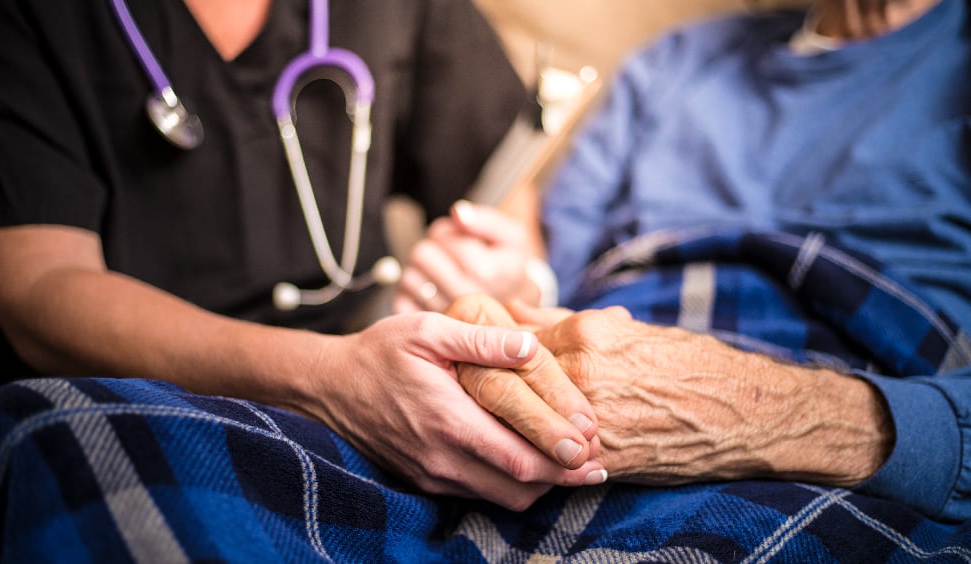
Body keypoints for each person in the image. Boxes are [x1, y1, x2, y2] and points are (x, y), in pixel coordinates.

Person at [0, 0, 610, 510]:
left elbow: (504, 195)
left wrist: (506, 271)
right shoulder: (16, 19)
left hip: (383, 392)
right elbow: (39, 286)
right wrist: (331, 381)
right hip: (133, 404)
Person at [396, 0, 971, 523]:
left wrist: (769, 416)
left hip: (856, 396)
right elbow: (557, 273)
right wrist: (513, 282)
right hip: (602, 374)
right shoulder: (674, 61)